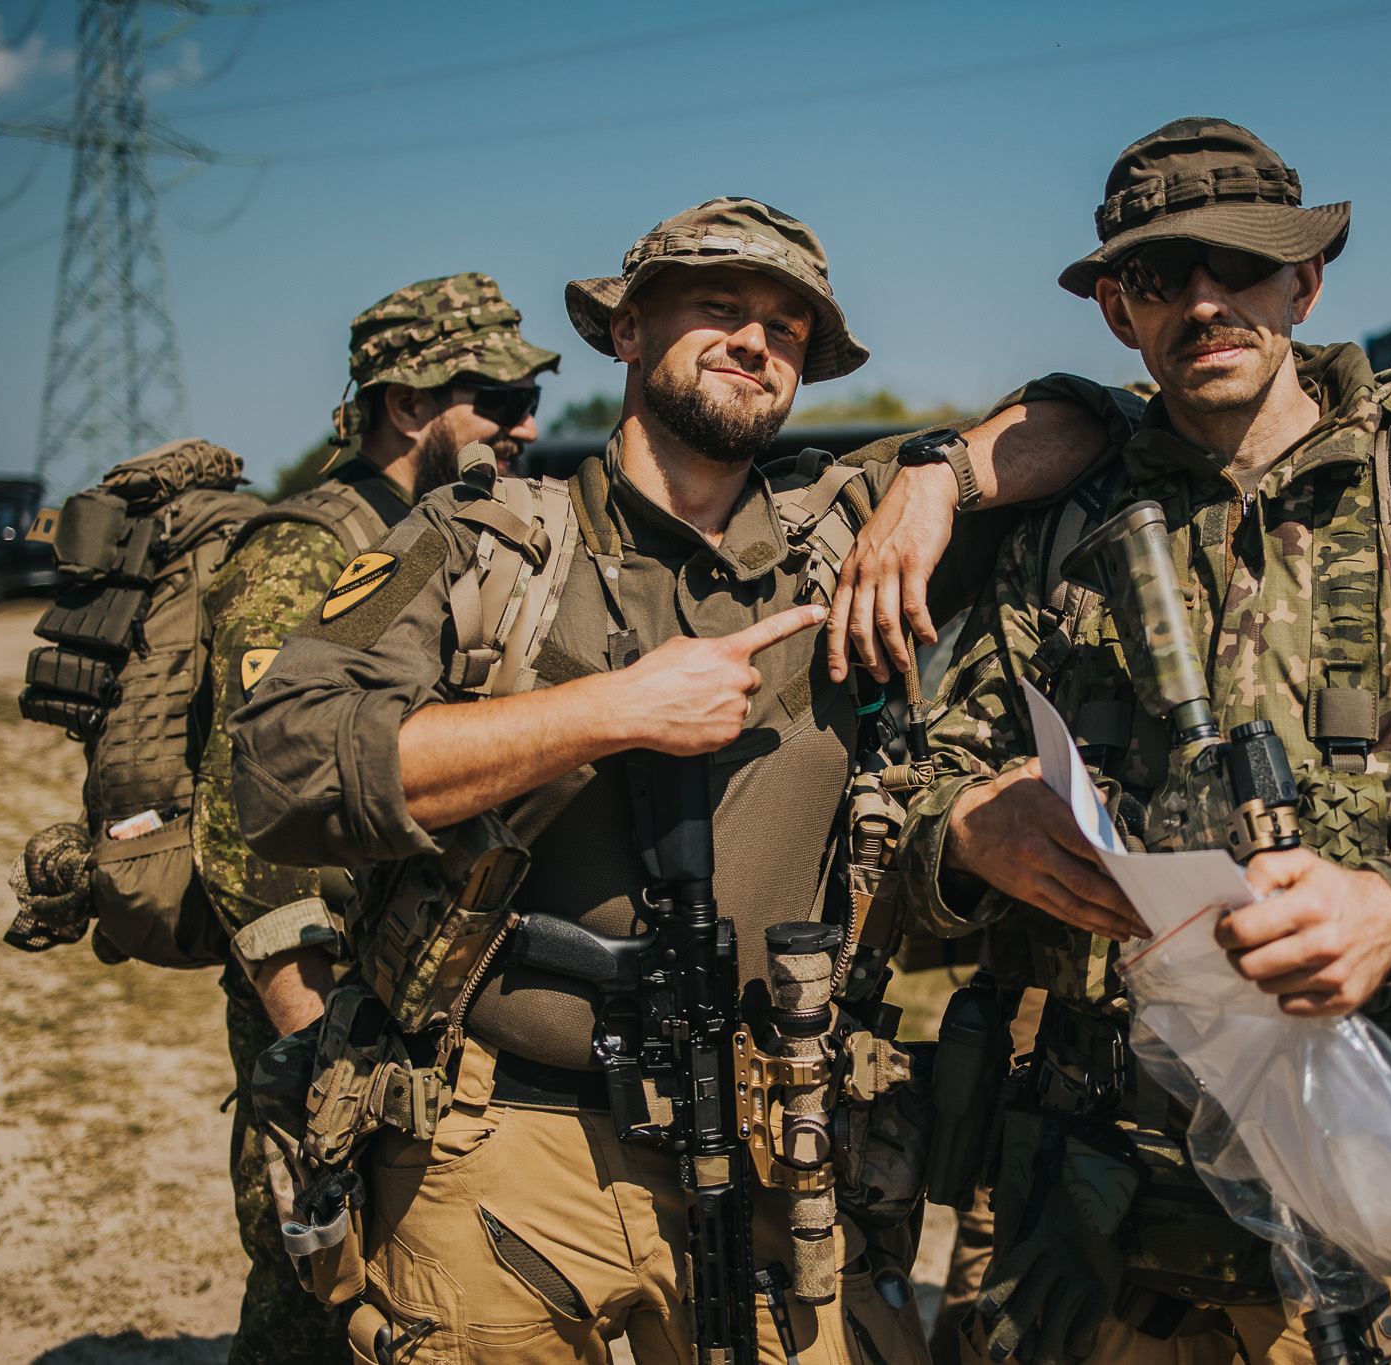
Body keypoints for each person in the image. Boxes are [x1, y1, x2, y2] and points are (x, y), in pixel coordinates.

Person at [227, 198, 1124, 1365]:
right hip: (502, 1145)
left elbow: (1100, 418)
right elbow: (280, 769)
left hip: (776, 1146)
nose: (756, 341)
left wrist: (937, 477)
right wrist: (605, 712)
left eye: (787, 327)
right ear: (627, 333)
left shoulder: (845, 533)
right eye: (718, 308)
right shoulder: (484, 545)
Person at [890, 117, 1391, 1365]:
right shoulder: (1055, 534)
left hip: (1372, 1205)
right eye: (1159, 277)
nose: (1203, 302)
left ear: (1303, 283)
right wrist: (971, 830)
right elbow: (928, 777)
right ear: (1116, 315)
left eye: (1240, 266)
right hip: (1094, 1220)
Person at [194, 271, 557, 1365]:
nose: (527, 423)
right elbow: (240, 814)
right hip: (324, 996)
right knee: (315, 1286)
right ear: (409, 406)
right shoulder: (307, 550)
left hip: (413, 986)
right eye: (496, 398)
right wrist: (312, 1039)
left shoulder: (449, 534)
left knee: (416, 1297)